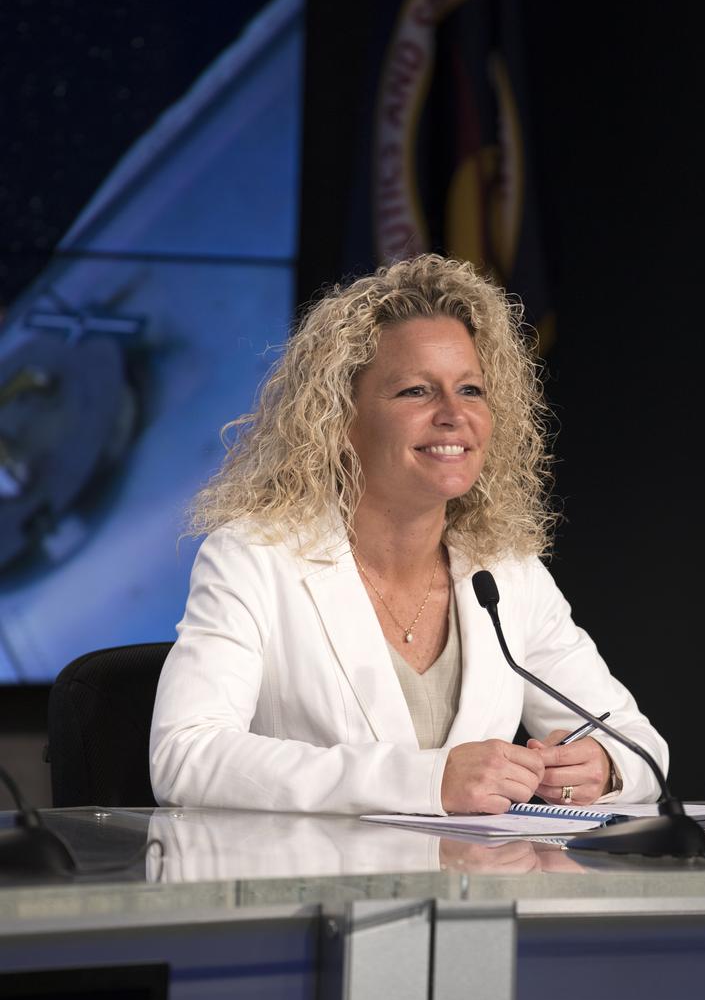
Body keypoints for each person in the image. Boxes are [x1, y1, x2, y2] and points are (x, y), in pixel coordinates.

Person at [150, 254, 666, 814]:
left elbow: (640, 745)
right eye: (417, 391)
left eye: (471, 390)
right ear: (339, 417)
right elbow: (186, 755)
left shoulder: (506, 572)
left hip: (474, 874)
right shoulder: (254, 556)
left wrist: (604, 767)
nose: (453, 414)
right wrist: (428, 780)